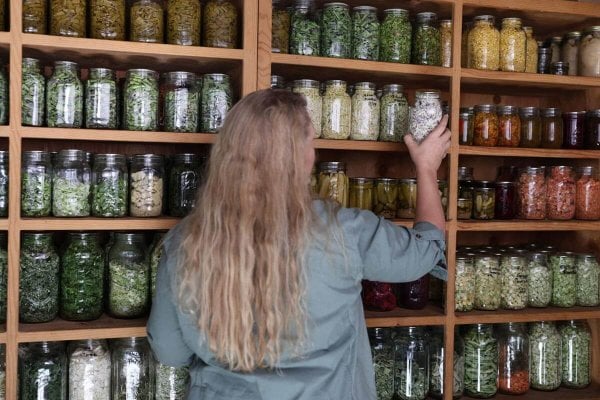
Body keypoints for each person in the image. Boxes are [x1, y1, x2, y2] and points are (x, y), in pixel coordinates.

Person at [147, 89, 449, 399]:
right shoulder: (343, 230)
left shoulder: (185, 240)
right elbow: (425, 250)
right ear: (300, 156)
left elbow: (170, 351)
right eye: (311, 141)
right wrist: (426, 168)